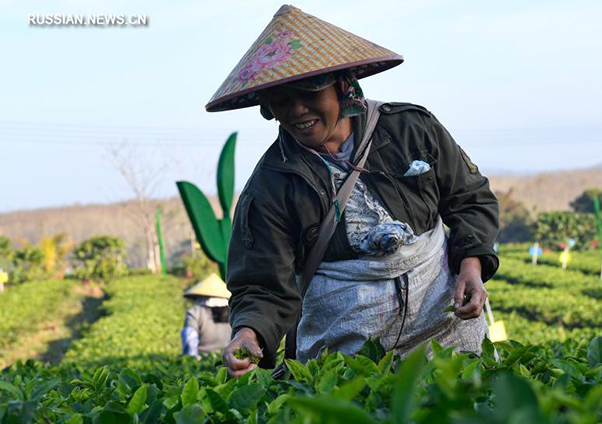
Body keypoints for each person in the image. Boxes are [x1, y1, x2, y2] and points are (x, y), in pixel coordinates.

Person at [205, 5, 500, 378]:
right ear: (267, 107)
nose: (297, 110)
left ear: (343, 85)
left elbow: (470, 199)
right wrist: (248, 334)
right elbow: (263, 283)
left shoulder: (410, 128)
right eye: (282, 99)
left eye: (308, 92)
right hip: (346, 349)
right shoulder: (272, 185)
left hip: (444, 331)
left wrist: (470, 268)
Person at [181, 273, 232, 358]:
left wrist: (191, 360)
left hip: (204, 359)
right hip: (228, 358)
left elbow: (189, 338)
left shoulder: (195, 311)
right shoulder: (232, 311)